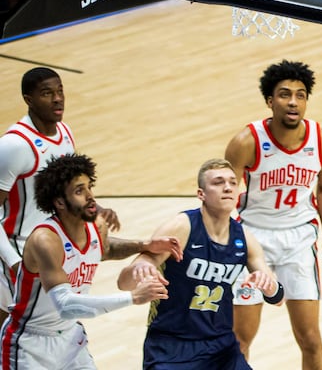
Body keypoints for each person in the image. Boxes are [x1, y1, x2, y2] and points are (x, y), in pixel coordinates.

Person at [0, 153, 181, 369]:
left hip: (70, 338)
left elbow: (103, 249)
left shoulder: (97, 226)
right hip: (31, 344)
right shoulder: (45, 240)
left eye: (89, 187)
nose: (90, 196)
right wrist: (132, 297)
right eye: (79, 191)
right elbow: (66, 305)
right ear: (60, 202)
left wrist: (143, 245)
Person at [225, 59, 322, 369]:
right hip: (252, 239)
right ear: (270, 101)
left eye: (301, 95)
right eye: (285, 94)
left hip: (298, 241)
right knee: (239, 338)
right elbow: (222, 196)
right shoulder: (246, 143)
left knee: (310, 338)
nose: (293, 102)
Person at [117, 158, 284, 370]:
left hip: (221, 347)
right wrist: (140, 268)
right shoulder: (181, 227)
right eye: (218, 182)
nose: (228, 187)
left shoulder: (244, 238)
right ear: (201, 194)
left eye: (233, 182)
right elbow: (123, 283)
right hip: (171, 346)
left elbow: (278, 298)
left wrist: (269, 286)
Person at [0, 67, 120, 326]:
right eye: (47, 93)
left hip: (51, 247)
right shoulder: (14, 145)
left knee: (54, 324)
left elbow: (66, 186)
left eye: (60, 91)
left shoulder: (65, 132)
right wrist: (12, 262)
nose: (57, 99)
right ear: (28, 100)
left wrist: (96, 207)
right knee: (11, 329)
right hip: (14, 249)